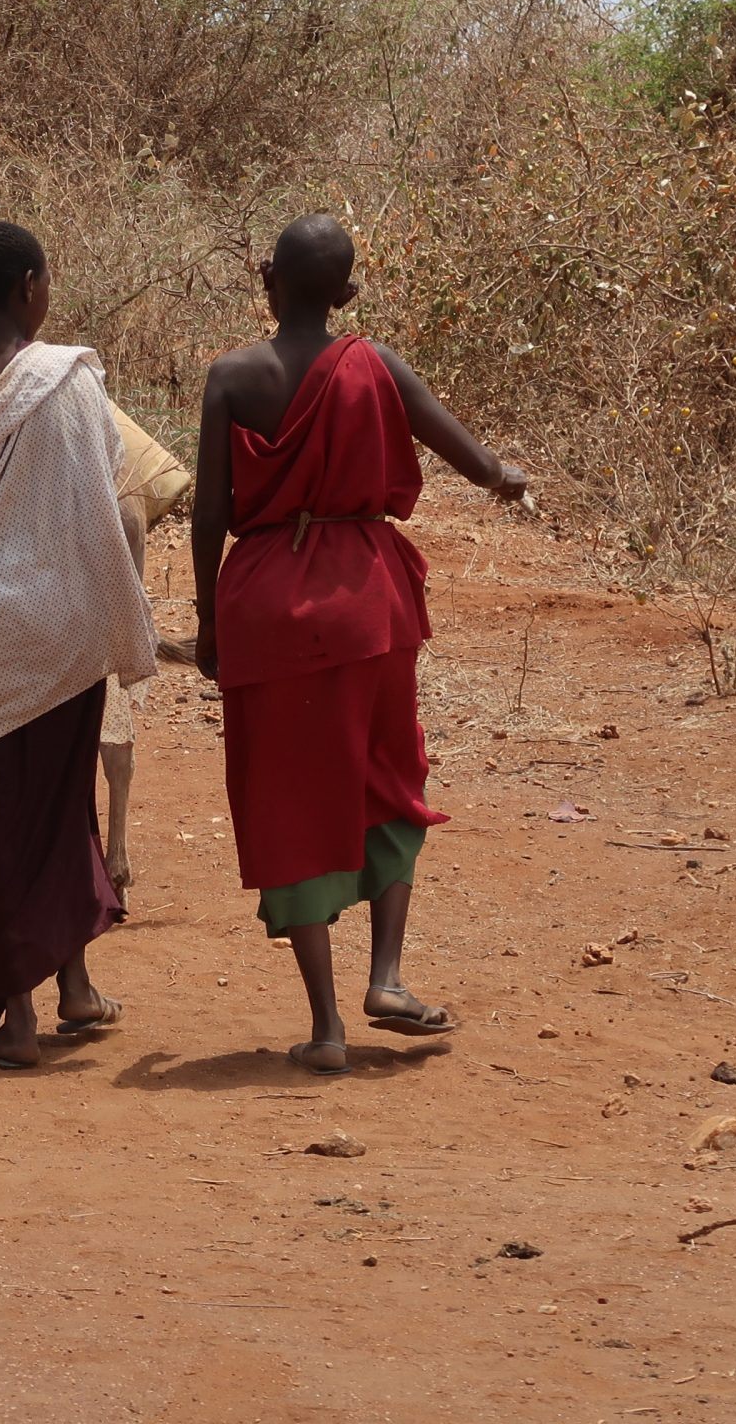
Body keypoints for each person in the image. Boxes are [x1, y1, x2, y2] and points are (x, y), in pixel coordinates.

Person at [191, 214, 527, 1073]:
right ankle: (387, 976)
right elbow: (470, 456)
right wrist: (505, 478)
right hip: (367, 596)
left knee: (289, 797)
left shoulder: (231, 377)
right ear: (344, 293)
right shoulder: (374, 365)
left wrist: (206, 619)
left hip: (266, 600)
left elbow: (210, 515)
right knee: (386, 773)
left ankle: (329, 1026)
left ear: (268, 279)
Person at [0, 222, 158, 1069]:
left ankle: (20, 1017)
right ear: (30, 286)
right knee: (62, 810)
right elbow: (98, 496)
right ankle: (76, 988)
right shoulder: (72, 381)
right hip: (64, 633)